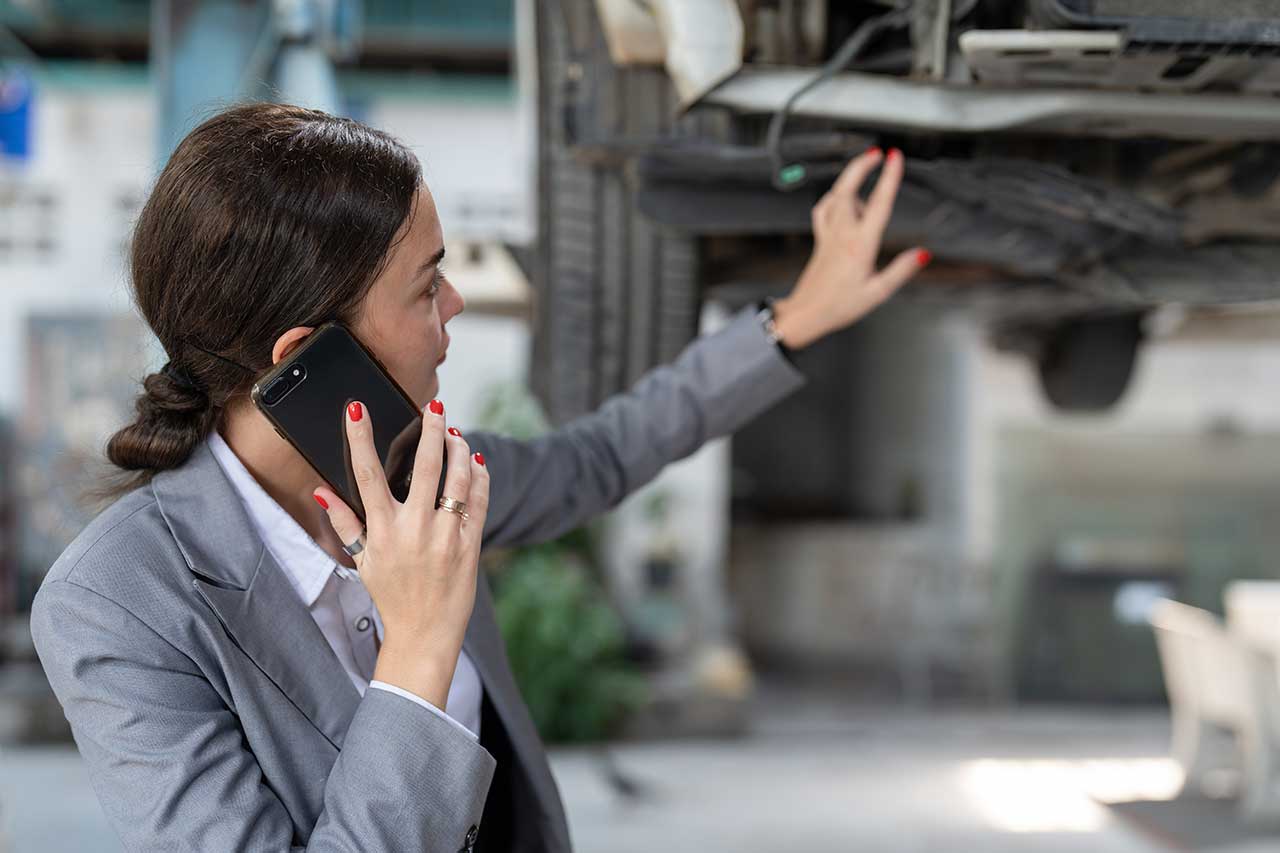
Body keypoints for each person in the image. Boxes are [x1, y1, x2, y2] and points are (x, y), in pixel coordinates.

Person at [29, 102, 928, 852]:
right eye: (428, 286)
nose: (454, 303)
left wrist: (798, 317)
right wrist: (417, 648)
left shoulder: (420, 470)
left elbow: (601, 456)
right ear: (308, 358)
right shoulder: (115, 604)